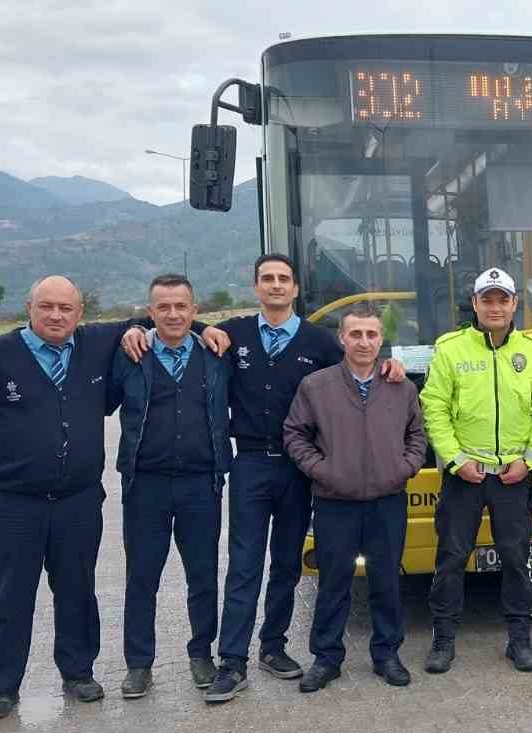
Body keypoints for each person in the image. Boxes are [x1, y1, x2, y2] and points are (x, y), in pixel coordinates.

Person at [121, 254, 405, 703]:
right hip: (250, 464)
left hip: (299, 469)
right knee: (244, 563)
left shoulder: (318, 341)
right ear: (256, 287)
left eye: (283, 279)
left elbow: (359, 359)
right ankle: (232, 660)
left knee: (287, 563)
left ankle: (273, 646)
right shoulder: (231, 334)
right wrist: (138, 326)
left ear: (295, 289)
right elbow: (178, 322)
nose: (275, 285)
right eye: (267, 279)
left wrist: (390, 365)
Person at [0, 275, 225, 721]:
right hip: (11, 501)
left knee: (77, 591)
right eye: (47, 306)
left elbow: (164, 319)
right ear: (29, 307)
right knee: (9, 596)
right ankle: (1, 687)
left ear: (80, 314)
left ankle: (78, 673)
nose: (56, 315)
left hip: (77, 499)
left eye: (66, 308)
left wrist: (202, 327)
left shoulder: (95, 345)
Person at [419, 267, 532, 674]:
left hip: (513, 477)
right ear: (475, 304)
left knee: (516, 559)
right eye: (488, 300)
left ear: (515, 304)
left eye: (503, 299)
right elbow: (434, 408)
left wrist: (530, 460)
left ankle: (519, 639)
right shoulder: (450, 349)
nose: (495, 307)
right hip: (464, 476)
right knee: (451, 558)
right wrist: (455, 460)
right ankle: (443, 639)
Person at [283, 304, 426, 691]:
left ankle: (387, 655)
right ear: (342, 338)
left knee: (386, 581)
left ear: (381, 339)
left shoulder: (401, 387)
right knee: (333, 583)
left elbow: (417, 435)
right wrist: (322, 470)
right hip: (335, 502)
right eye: (356, 334)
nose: (364, 342)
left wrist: (404, 467)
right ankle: (326, 658)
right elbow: (294, 434)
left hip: (387, 500)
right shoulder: (316, 386)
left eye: (371, 334)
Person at [110, 274, 233, 700]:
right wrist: (129, 329)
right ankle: (139, 664)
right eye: (163, 307)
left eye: (181, 306)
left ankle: (201, 654)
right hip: (145, 485)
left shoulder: (216, 354)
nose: (173, 314)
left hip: (202, 483)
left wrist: (205, 330)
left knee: (203, 575)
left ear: (195, 311)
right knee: (142, 577)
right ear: (150, 312)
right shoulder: (130, 355)